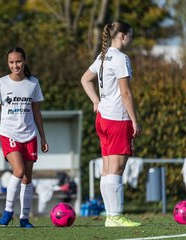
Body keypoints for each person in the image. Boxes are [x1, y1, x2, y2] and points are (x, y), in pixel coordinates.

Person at [81, 21, 141, 227]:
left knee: (107, 169)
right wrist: (134, 120)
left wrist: (96, 101)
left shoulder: (103, 56)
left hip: (103, 119)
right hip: (117, 118)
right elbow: (125, 93)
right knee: (116, 169)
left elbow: (85, 79)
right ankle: (115, 216)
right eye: (130, 35)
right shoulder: (121, 58)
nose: (131, 39)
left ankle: (111, 216)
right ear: (122, 36)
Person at [0, 47, 49, 228]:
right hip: (8, 134)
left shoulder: (33, 83)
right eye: (11, 62)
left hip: (29, 135)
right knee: (19, 171)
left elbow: (37, 111)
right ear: (8, 63)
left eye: (18, 61)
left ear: (25, 62)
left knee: (27, 178)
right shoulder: (1, 83)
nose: (15, 65)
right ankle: (8, 211)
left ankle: (24, 218)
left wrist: (43, 137)